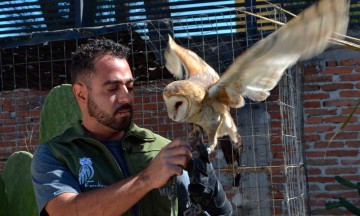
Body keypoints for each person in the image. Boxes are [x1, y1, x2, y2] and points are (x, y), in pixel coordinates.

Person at [31, 38, 232, 216]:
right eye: (112, 88)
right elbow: (65, 211)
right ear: (81, 94)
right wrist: (147, 179)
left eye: (130, 86)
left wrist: (216, 202)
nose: (126, 97)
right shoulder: (56, 154)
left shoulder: (162, 150)